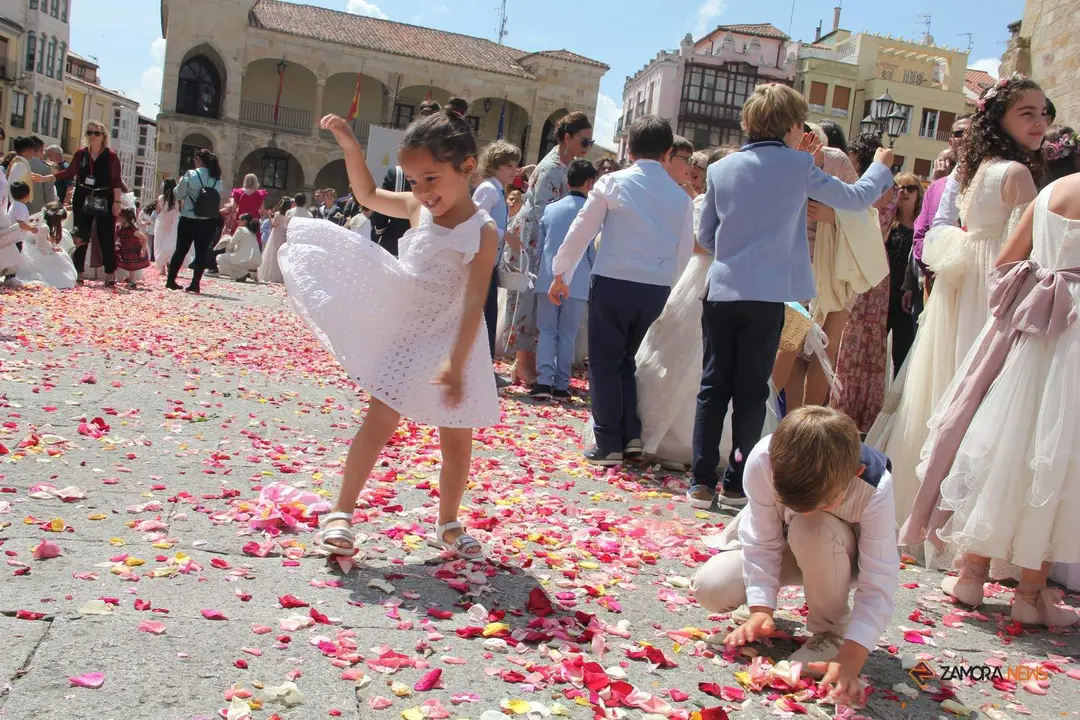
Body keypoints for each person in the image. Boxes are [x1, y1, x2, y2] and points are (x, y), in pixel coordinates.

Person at [280, 109, 499, 559]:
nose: (422, 191)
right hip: (409, 329)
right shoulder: (416, 206)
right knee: (379, 421)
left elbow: (475, 300)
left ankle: (449, 522)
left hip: (456, 338)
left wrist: (456, 363)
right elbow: (365, 194)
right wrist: (349, 145)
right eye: (415, 180)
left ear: (468, 167)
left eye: (432, 178)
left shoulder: (483, 230)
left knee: (456, 439)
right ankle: (341, 510)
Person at [690, 84, 894, 509]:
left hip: (723, 290)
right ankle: (735, 481)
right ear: (794, 124)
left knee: (713, 386)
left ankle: (699, 480)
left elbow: (706, 235)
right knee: (751, 391)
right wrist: (879, 166)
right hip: (767, 295)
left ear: (748, 122)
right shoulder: (798, 167)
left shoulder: (721, 169)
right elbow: (856, 199)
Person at [871, 74, 1047, 531]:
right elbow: (1036, 245)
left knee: (950, 385)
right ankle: (955, 520)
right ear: (1001, 119)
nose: (1039, 121)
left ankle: (920, 508)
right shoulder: (1015, 172)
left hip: (967, 281)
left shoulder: (973, 169)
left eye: (1043, 112)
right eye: (1026, 112)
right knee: (984, 395)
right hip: (996, 281)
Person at [905, 165, 1080, 626]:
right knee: (1057, 458)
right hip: (1074, 340)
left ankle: (972, 574)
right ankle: (1030, 591)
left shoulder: (1050, 193)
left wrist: (1038, 283)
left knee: (1005, 442)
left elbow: (1005, 259)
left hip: (1032, 333)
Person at [691, 407, 899, 703]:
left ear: (856, 475)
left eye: (822, 501)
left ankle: (830, 631)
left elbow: (879, 579)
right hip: (781, 543)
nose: (801, 508)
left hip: (837, 553)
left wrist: (852, 655)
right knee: (711, 588)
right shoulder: (763, 458)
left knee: (811, 524)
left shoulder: (875, 487)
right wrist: (761, 609)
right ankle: (757, 605)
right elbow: (761, 539)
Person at [548, 115, 694, 465]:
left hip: (614, 280)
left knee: (606, 362)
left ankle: (609, 440)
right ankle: (631, 434)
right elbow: (684, 250)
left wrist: (560, 272)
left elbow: (582, 230)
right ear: (667, 152)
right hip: (656, 287)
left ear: (628, 148)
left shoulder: (613, 183)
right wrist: (671, 287)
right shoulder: (681, 197)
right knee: (629, 361)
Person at [633, 147, 732, 468]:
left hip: (717, 281)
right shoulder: (702, 203)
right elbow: (693, 243)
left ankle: (702, 442)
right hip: (698, 280)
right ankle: (672, 439)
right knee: (684, 355)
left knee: (706, 362)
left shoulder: (722, 204)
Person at [503, 111, 593, 385]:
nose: (587, 146)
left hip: (547, 237)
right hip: (534, 237)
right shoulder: (552, 167)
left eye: (590, 141)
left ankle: (527, 361)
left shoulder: (565, 166)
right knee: (528, 300)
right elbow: (542, 210)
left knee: (539, 302)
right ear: (567, 138)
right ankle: (523, 361)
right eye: (584, 141)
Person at [828, 134, 895, 432]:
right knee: (858, 338)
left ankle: (846, 407)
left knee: (853, 337)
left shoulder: (872, 186)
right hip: (872, 267)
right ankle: (856, 408)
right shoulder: (879, 186)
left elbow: (867, 221)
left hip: (860, 266)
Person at [532, 159, 598, 400]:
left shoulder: (551, 209)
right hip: (578, 280)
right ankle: (562, 383)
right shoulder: (592, 212)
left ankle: (543, 382)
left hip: (548, 276)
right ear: (590, 182)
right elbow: (593, 251)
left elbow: (540, 248)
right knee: (568, 333)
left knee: (547, 330)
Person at [33, 121, 124, 286]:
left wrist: (117, 201)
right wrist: (46, 178)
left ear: (103, 136)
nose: (92, 136)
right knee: (81, 234)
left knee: (106, 235)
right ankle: (79, 272)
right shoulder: (81, 153)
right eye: (89, 133)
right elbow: (69, 172)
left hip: (104, 196)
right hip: (83, 195)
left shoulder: (110, 155)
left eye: (96, 133)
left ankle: (110, 273)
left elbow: (116, 179)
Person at [472, 140, 521, 362]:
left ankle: (484, 367)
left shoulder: (497, 190)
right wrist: (505, 235)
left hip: (489, 263)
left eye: (515, 165)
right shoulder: (488, 190)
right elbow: (476, 222)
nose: (514, 170)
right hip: (479, 265)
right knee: (485, 317)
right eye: (509, 165)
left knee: (487, 317)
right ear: (495, 166)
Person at [166, 148, 224, 294]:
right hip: (208, 220)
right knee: (202, 252)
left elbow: (179, 194)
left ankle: (171, 280)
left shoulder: (191, 174)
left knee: (181, 249)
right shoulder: (216, 178)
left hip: (189, 218)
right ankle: (195, 284)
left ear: (198, 159)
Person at [885, 173, 922, 373]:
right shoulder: (888, 221)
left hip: (908, 296)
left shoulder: (923, 225)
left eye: (910, 188)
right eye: (898, 188)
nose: (904, 192)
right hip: (884, 295)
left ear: (918, 193)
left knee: (903, 353)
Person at [16, 201, 77, 289]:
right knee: (60, 257)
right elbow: (40, 247)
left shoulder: (35, 218)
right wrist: (52, 249)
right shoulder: (44, 228)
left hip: (26, 246)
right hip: (34, 251)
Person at [1, 181, 37, 288]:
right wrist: (31, 228)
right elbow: (20, 223)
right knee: (15, 258)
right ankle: (10, 277)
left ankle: (10, 276)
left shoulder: (14, 204)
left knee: (11, 257)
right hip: (17, 237)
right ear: (27, 194)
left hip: (13, 236)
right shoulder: (21, 206)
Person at [215, 213, 262, 281]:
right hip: (257, 262)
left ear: (245, 221)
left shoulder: (241, 230)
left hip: (246, 260)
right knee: (233, 258)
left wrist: (226, 246)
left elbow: (231, 245)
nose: (237, 221)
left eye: (239, 220)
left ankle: (241, 274)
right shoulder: (252, 233)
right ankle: (250, 273)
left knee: (219, 258)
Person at [114, 206, 150, 289]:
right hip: (125, 249)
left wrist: (143, 250)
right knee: (128, 266)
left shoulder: (133, 230)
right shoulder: (119, 228)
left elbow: (144, 238)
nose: (118, 218)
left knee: (131, 266)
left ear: (125, 218)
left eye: (120, 216)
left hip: (133, 250)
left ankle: (133, 282)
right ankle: (131, 279)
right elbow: (116, 238)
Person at [258, 197, 292, 283]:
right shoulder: (289, 214)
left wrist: (270, 216)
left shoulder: (278, 214)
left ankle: (271, 275)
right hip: (284, 234)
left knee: (273, 253)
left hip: (276, 234)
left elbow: (273, 224)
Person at [153, 179, 181, 275]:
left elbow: (157, 211)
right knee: (172, 244)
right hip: (175, 221)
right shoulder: (178, 198)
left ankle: (162, 267)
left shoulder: (161, 198)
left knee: (160, 243)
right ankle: (170, 264)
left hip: (162, 220)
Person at [230, 174, 268, 243]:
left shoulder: (238, 192)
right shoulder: (259, 194)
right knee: (252, 242)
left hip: (241, 219)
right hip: (253, 220)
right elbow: (262, 212)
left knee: (237, 240)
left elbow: (233, 209)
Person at [28, 137, 58, 215]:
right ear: (41, 150)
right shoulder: (45, 167)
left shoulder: (17, 164)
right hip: (37, 213)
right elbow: (49, 193)